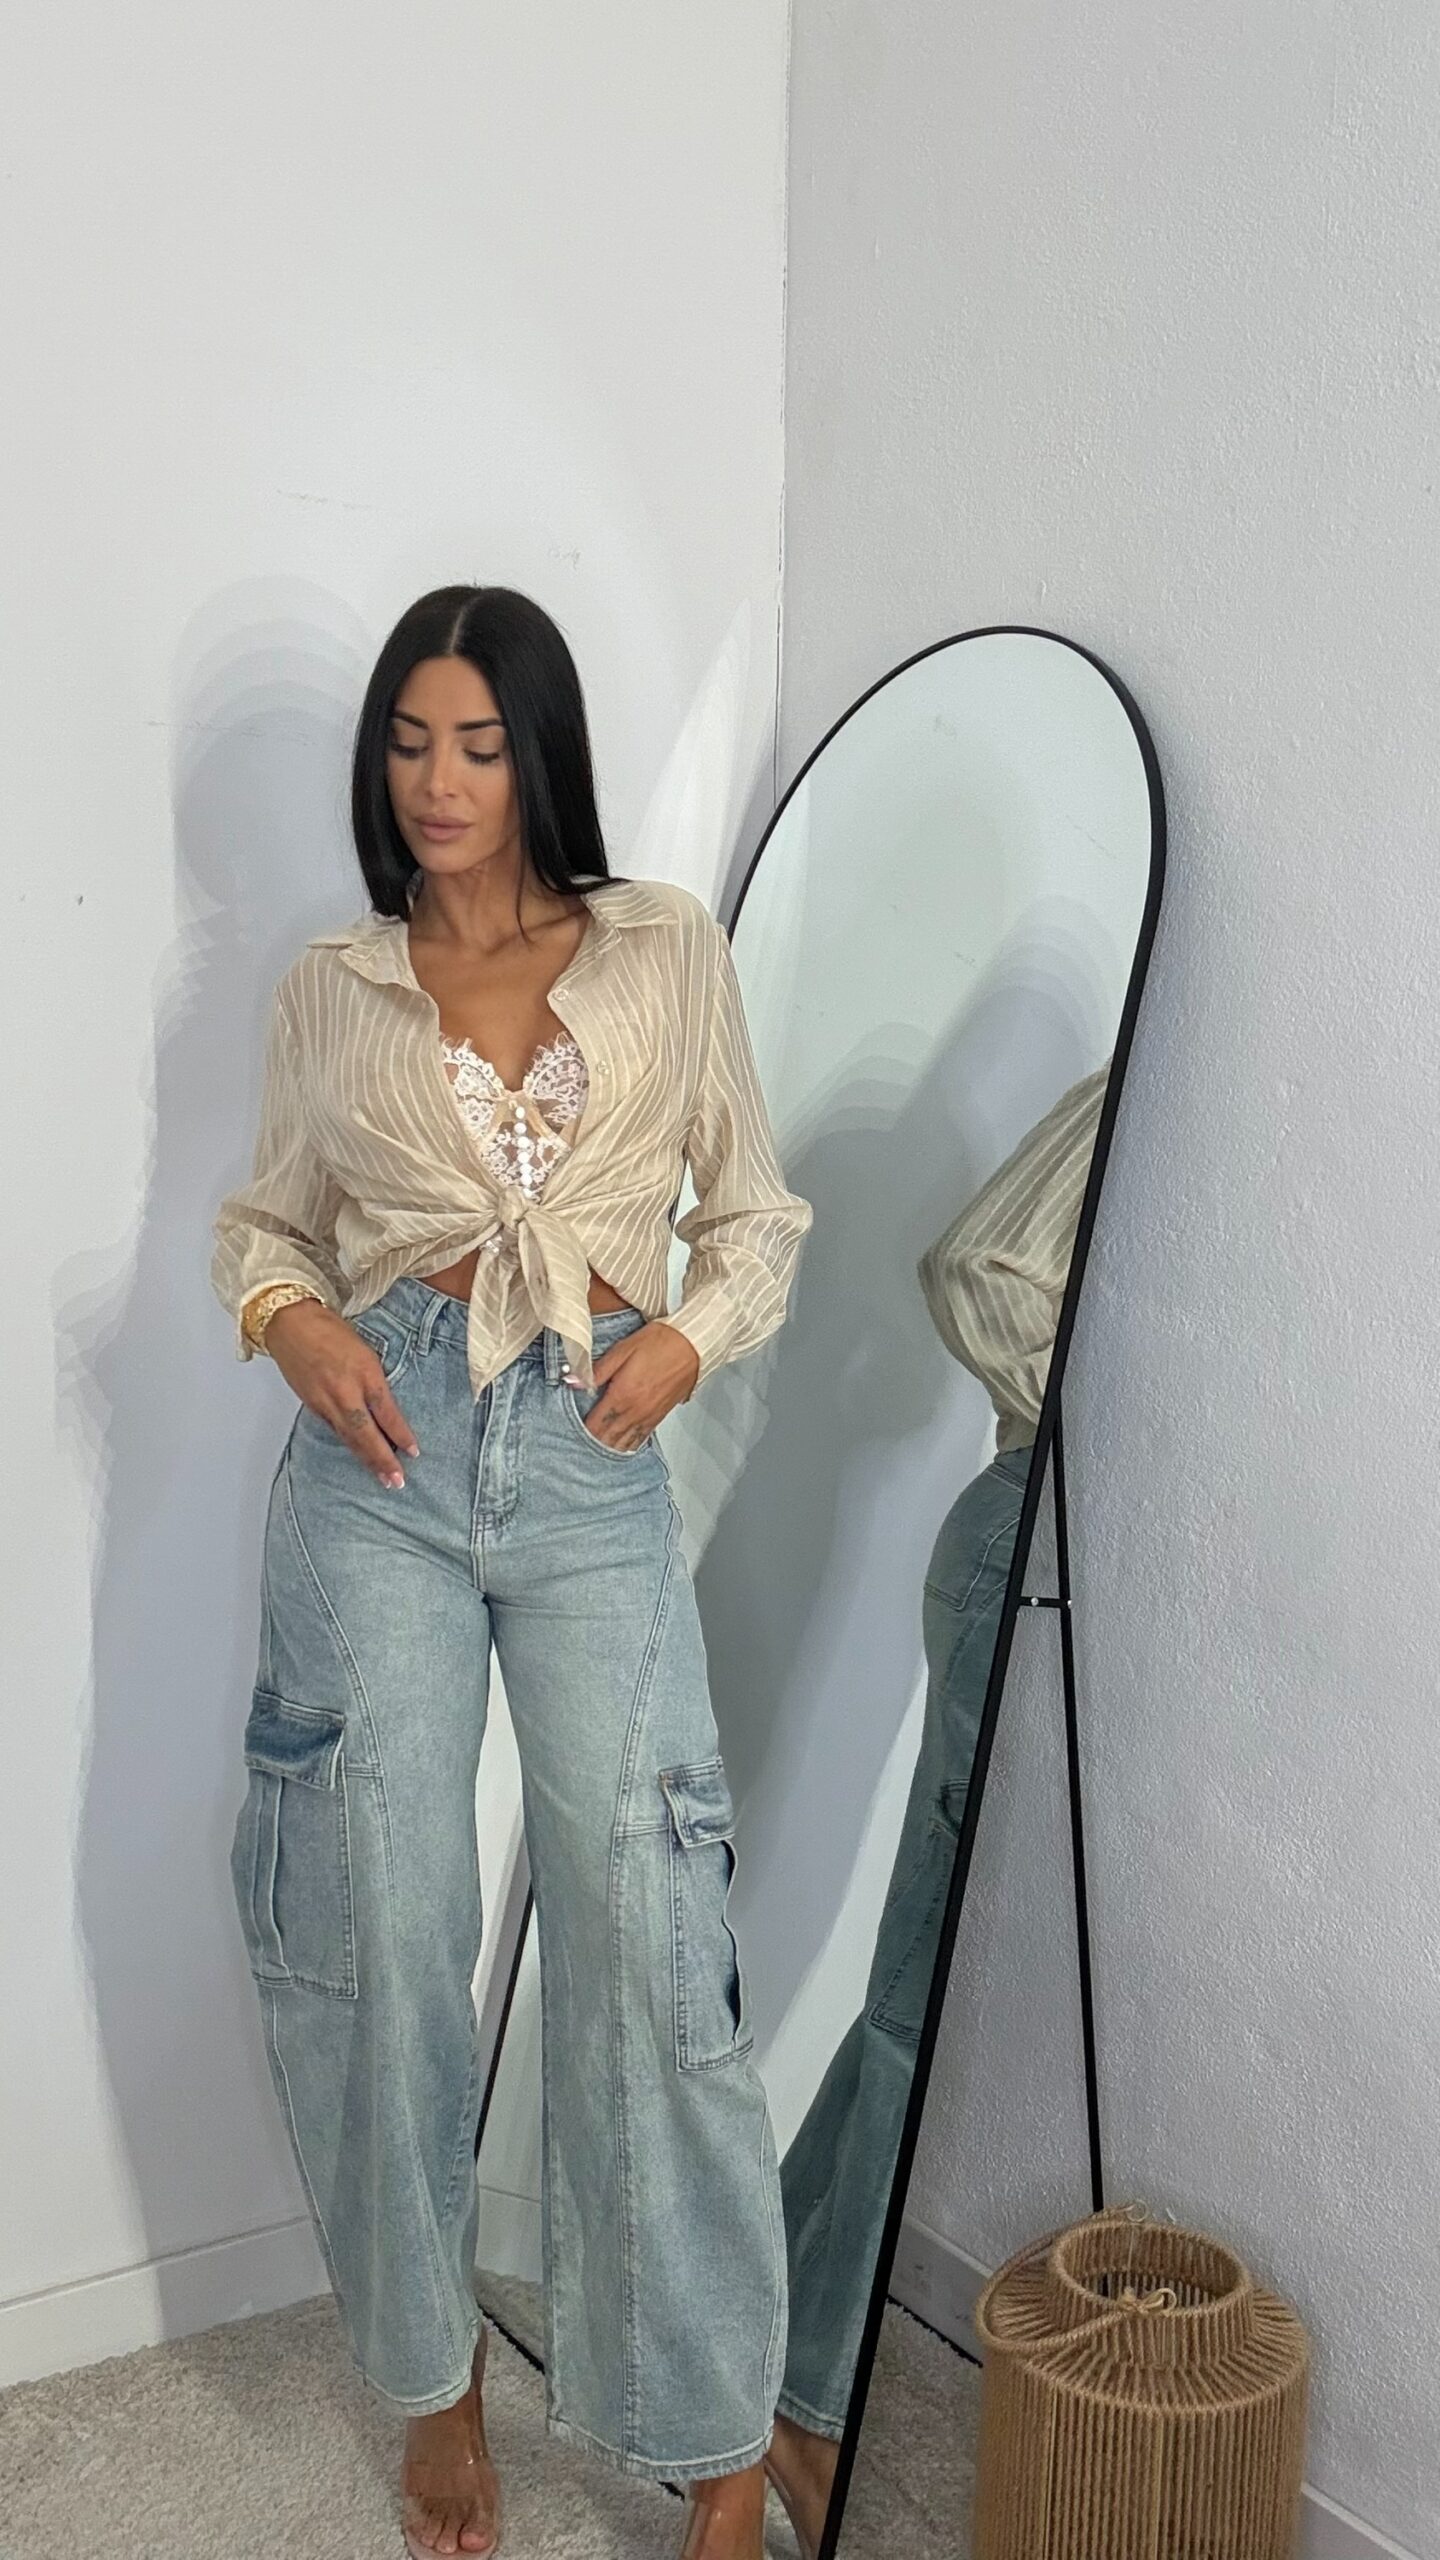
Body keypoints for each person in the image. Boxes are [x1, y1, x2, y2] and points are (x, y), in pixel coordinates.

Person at [210, 585, 813, 2560]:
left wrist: (686, 1342)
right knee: (380, 1921)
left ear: (539, 750)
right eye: (408, 741)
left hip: (589, 1454)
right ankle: (437, 2377)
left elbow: (757, 1214)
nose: (438, 780)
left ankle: (716, 2426)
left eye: (476, 741)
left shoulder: (663, 951)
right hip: (377, 1453)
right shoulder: (334, 984)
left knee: (648, 1914)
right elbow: (263, 1226)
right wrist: (297, 1326)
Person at [763, 1062, 1107, 2559]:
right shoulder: (1151, 1091)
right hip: (1024, 1541)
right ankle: (805, 2405)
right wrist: (1086, 1435)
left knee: (921, 1999)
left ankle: (764, 2327)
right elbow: (986, 1263)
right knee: (924, 2009)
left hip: (1079, 1576)